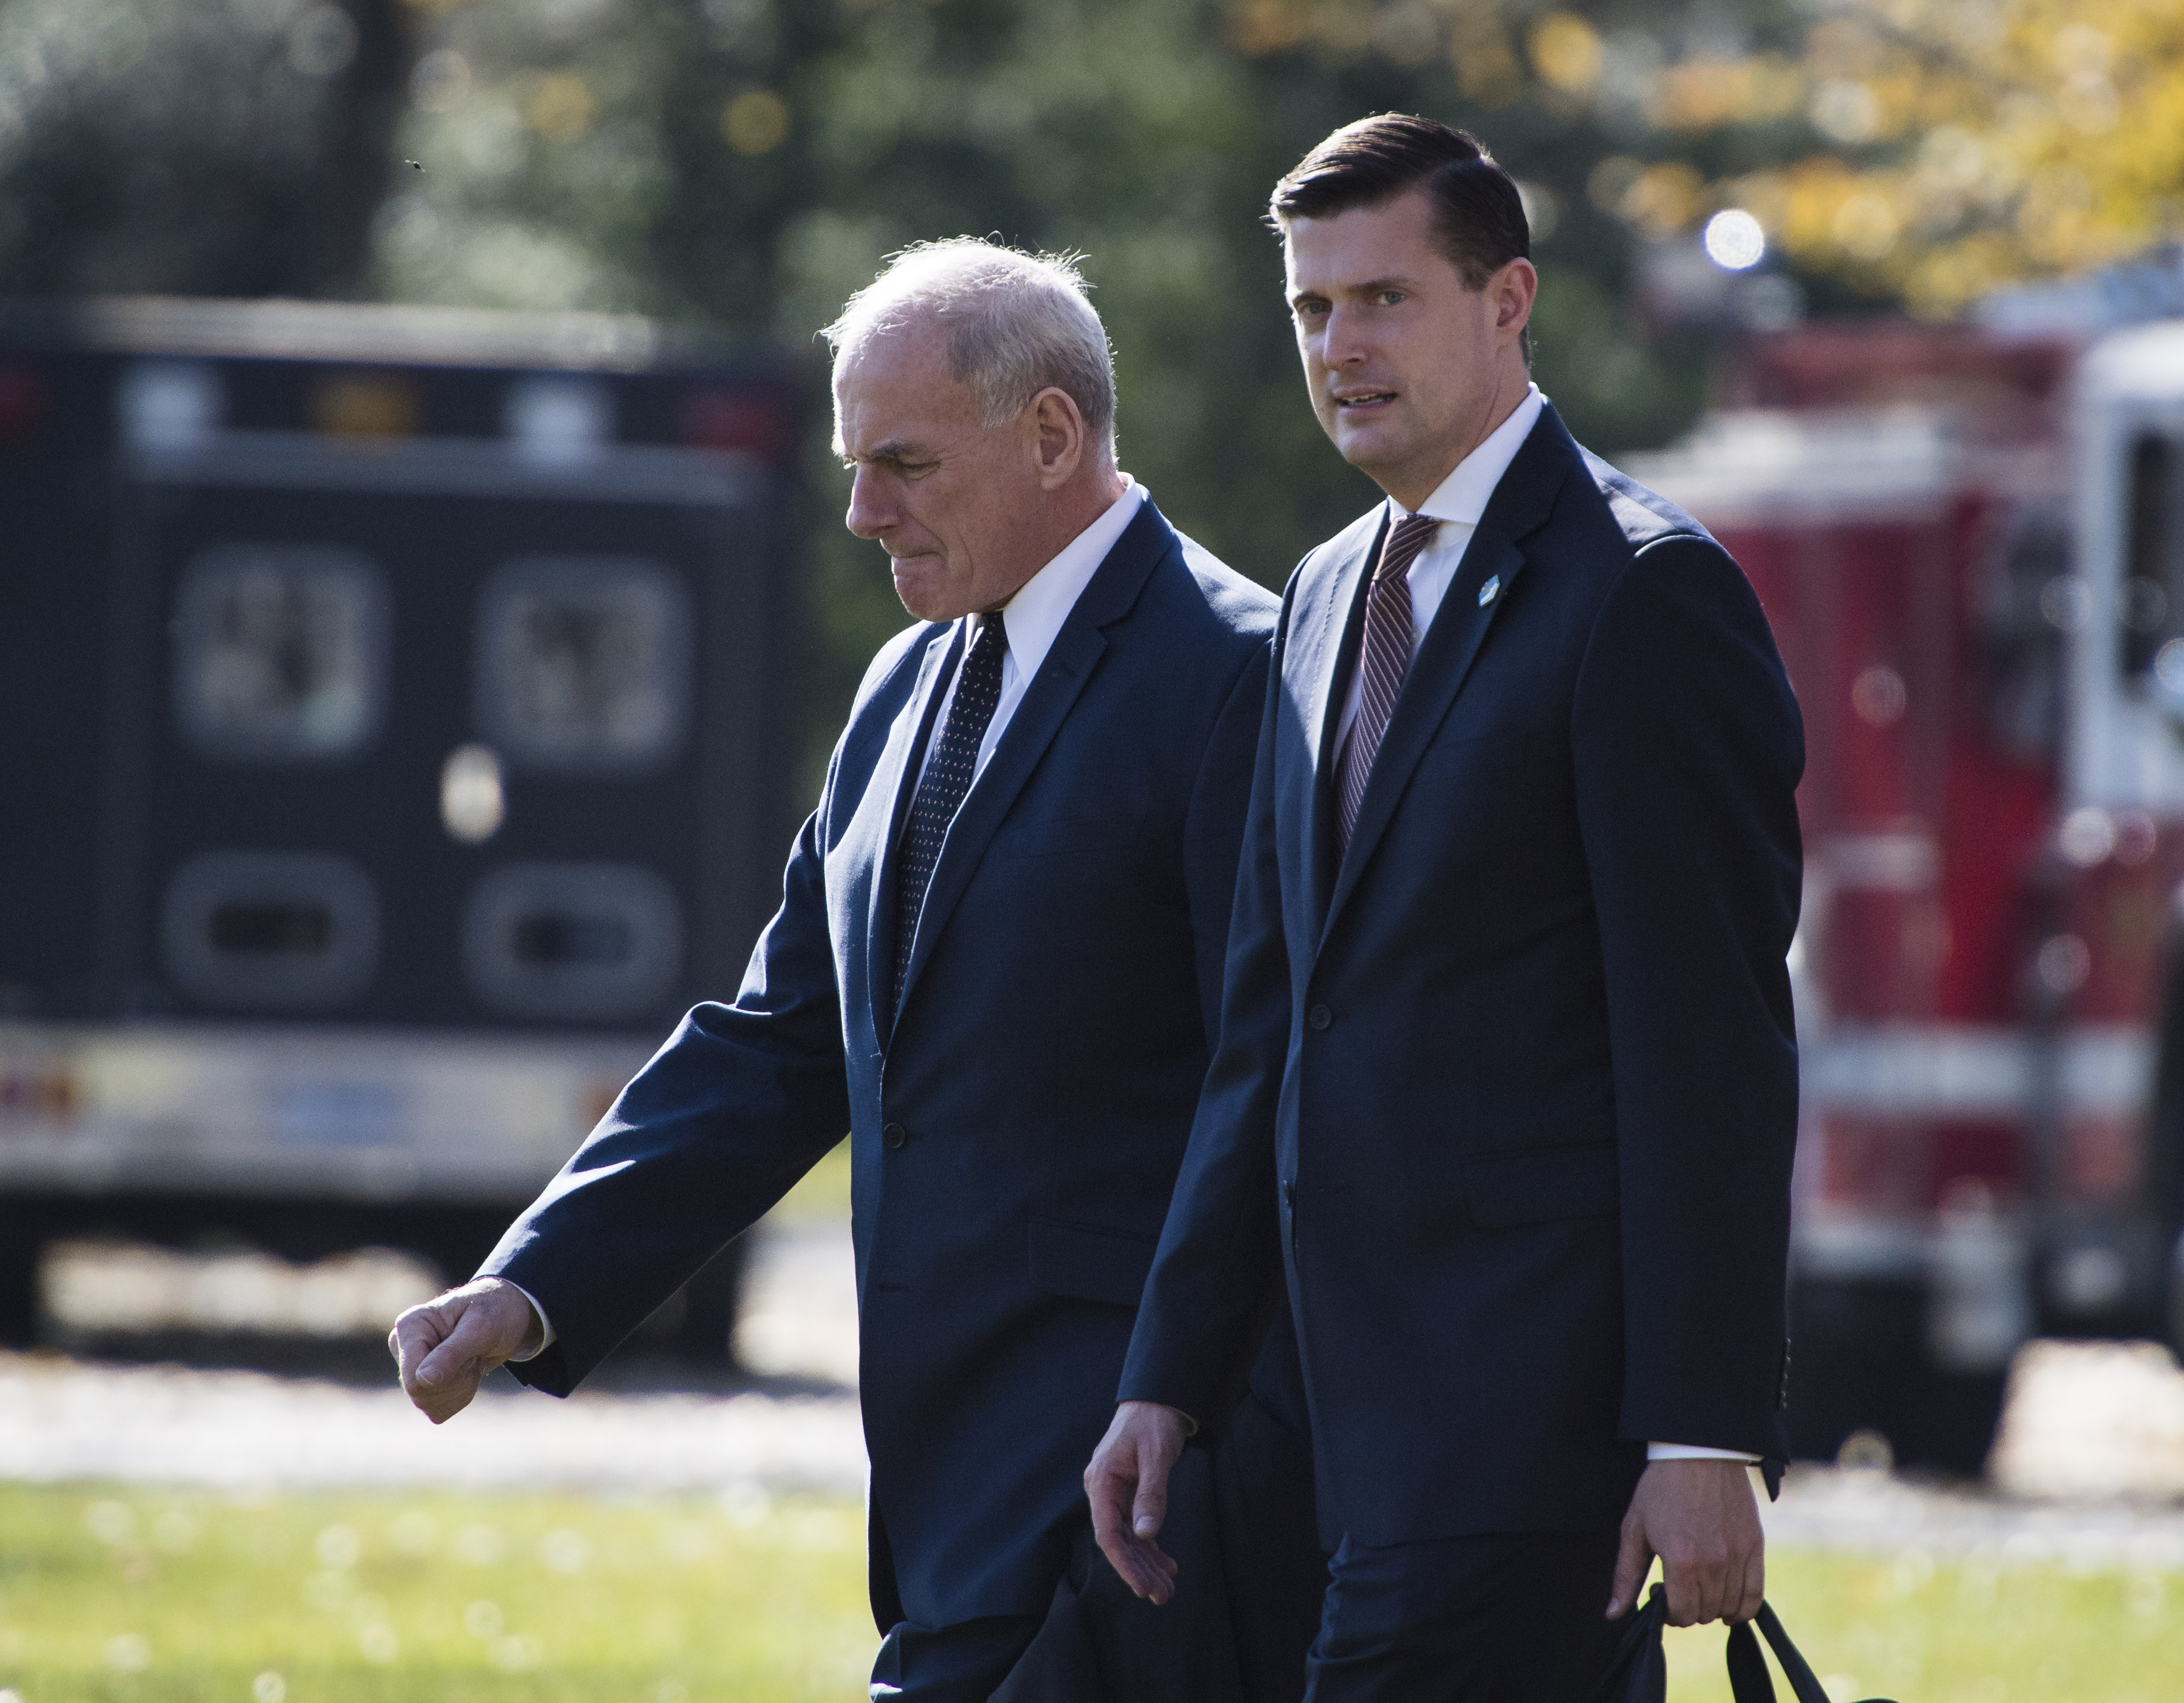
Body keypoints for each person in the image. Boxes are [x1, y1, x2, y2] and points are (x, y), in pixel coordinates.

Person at [391, 239, 1321, 1701]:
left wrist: (1187, 1419)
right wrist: (531, 1286)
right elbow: (780, 1041)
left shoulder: (1237, 676)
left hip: (1137, 1505)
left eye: (901, 463)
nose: (856, 508)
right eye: (851, 461)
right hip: (945, 1492)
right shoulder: (905, 680)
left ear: (1052, 435)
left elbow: (1271, 1102)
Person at [1084, 115, 1804, 1701]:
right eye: (1313, 310)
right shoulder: (1328, 591)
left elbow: (1711, 1050)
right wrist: (1170, 1377)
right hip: (1299, 1440)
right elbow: (1268, 1025)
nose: (1342, 346)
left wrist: (1703, 1434)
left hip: (1523, 1447)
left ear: (1508, 302)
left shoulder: (1644, 596)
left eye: (1386, 299)